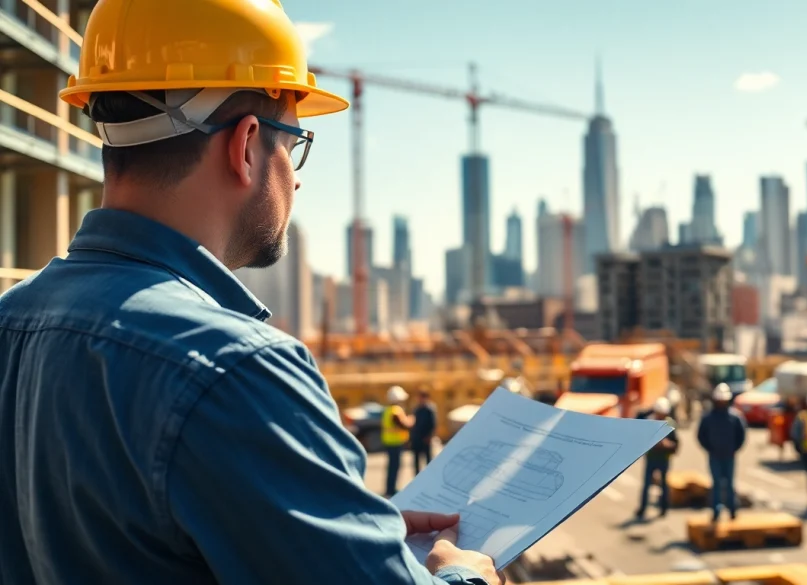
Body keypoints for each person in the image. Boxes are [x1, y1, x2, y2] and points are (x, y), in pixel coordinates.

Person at [0, 2, 502, 584]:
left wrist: (335, 532)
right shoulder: (234, 369)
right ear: (245, 145)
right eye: (295, 142)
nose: (295, 176)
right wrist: (467, 577)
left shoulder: (11, 322)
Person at [697, 383, 747, 522]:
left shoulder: (735, 417)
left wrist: (733, 449)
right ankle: (716, 511)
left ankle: (732, 510)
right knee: (717, 484)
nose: (721, 403)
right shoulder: (708, 418)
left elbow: (741, 436)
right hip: (715, 456)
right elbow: (701, 436)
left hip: (729, 456)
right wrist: (710, 448)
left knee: (730, 484)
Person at [635, 397, 679, 520]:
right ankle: (642, 508)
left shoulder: (670, 423)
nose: (661, 417)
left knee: (664, 484)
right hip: (651, 457)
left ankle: (664, 508)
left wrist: (667, 444)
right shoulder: (649, 422)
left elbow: (676, 442)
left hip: (664, 458)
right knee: (647, 484)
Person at [383, 386, 415, 496]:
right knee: (394, 467)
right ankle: (391, 490)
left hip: (389, 442)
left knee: (392, 466)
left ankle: (389, 489)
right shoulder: (396, 411)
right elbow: (403, 425)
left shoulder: (387, 410)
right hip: (395, 443)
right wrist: (411, 420)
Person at [411, 389, 438, 474]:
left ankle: (429, 477)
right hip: (417, 439)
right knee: (416, 461)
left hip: (426, 438)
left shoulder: (429, 409)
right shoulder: (417, 409)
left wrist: (429, 436)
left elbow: (433, 424)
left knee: (428, 460)